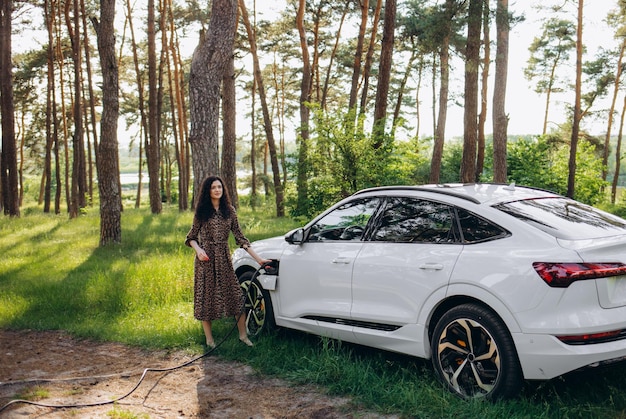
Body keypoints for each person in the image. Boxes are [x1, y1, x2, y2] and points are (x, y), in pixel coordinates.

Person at [185, 175, 269, 348]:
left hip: (224, 259)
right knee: (206, 299)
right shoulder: (201, 212)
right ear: (208, 191)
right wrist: (199, 250)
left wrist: (259, 259)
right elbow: (191, 237)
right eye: (214, 187)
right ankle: (209, 340)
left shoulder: (229, 211)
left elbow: (240, 238)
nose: (217, 190)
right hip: (206, 260)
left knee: (237, 298)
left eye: (220, 187)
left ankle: (243, 336)